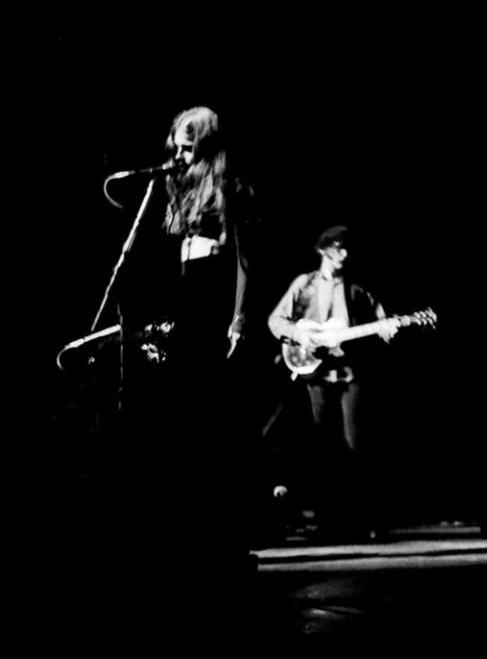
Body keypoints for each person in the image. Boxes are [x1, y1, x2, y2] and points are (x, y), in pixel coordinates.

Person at [104, 106, 264, 641]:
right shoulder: (176, 189)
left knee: (217, 428)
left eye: (187, 146)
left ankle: (228, 540)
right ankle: (188, 539)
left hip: (218, 300)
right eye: (173, 145)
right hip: (190, 300)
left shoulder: (234, 188)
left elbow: (246, 258)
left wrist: (240, 319)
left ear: (208, 144)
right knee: (183, 428)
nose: (177, 155)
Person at [267, 225, 396, 541]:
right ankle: (329, 522)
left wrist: (388, 327)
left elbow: (381, 319)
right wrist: (300, 333)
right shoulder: (305, 285)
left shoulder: (356, 290)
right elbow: (275, 321)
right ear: (324, 249)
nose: (345, 254)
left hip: (351, 375)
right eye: (339, 248)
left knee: (357, 445)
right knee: (323, 449)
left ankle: (364, 521)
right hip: (316, 376)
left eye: (347, 249)